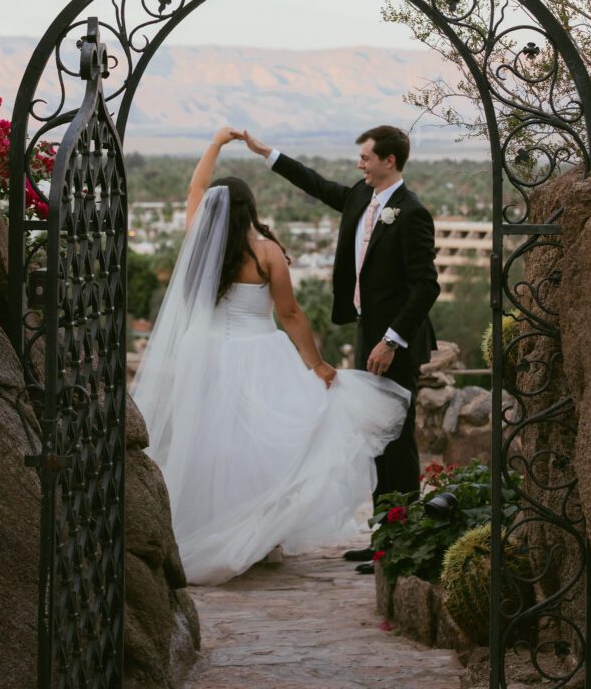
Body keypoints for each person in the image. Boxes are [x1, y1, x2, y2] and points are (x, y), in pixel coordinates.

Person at [131, 127, 412, 585]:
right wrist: (317, 364)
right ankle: (261, 539)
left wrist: (217, 144)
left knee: (209, 446)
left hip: (204, 356)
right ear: (250, 210)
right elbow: (291, 313)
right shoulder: (266, 254)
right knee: (262, 449)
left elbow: (195, 188)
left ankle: (209, 530)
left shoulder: (198, 243)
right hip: (259, 356)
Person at [242, 125, 440, 573]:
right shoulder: (359, 197)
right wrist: (268, 153)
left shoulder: (411, 213)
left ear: (390, 161)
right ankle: (383, 539)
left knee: (398, 443)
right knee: (376, 440)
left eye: (366, 157)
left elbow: (426, 285)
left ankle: (402, 545)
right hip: (367, 334)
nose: (360, 163)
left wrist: (392, 339)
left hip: (396, 343)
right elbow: (315, 183)